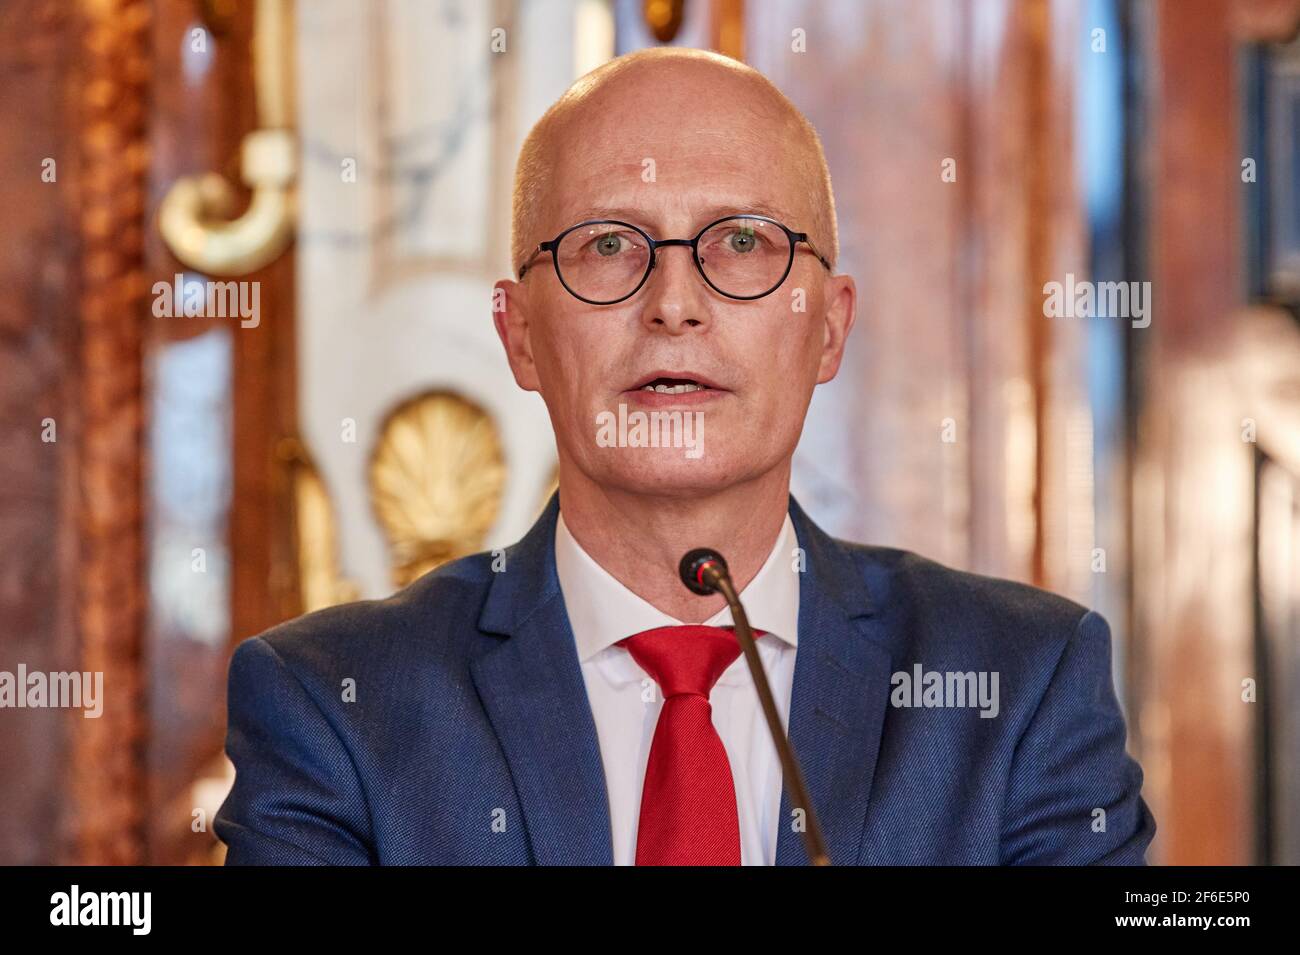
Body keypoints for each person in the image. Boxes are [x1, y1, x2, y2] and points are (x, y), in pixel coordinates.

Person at [215, 47, 1155, 865]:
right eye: (610, 245)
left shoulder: (1021, 684)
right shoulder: (335, 706)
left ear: (828, 330)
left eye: (742, 242)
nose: (674, 302)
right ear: (521, 336)